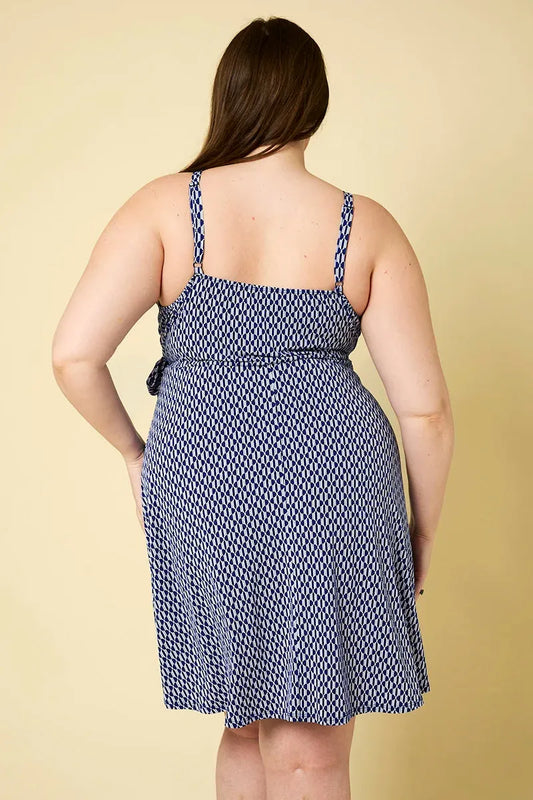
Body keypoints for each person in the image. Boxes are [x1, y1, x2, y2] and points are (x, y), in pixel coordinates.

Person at [52, 15, 454, 800]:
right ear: (314, 103)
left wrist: (135, 454)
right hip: (334, 482)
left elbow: (73, 355)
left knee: (245, 722)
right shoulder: (364, 225)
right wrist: (423, 528)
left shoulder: (165, 207)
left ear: (227, 97)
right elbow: (425, 414)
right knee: (307, 750)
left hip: (202, 478)